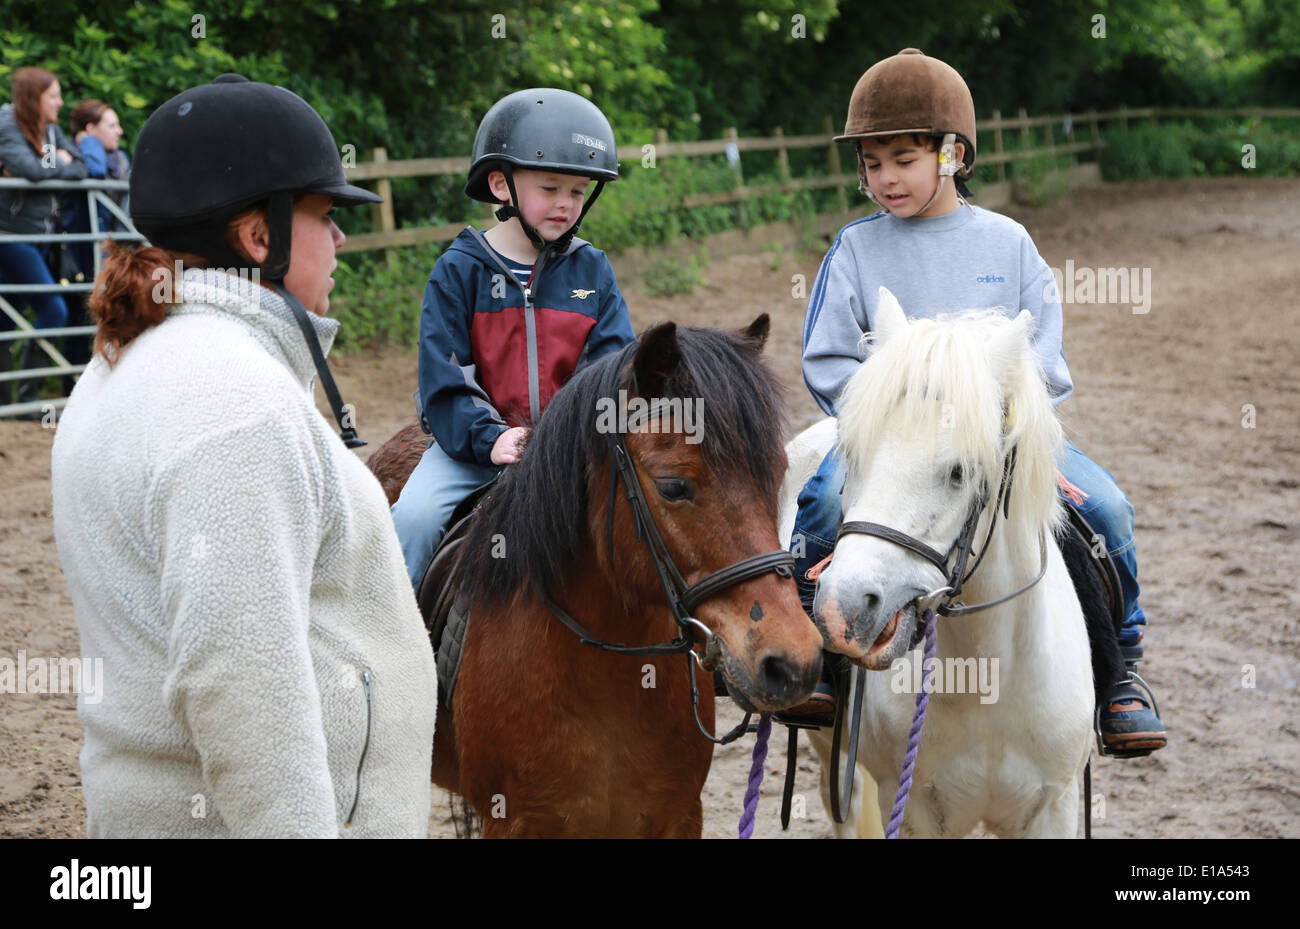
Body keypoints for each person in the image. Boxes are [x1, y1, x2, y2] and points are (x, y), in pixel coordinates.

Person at [50, 74, 438, 837]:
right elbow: (241, 682)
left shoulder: (116, 369)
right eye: (326, 217)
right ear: (261, 237)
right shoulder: (234, 402)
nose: (342, 240)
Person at [783, 49, 1166, 759]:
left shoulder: (1008, 243)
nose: (884, 178)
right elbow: (829, 358)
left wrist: (1005, 432)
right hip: (892, 442)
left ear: (952, 154)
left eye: (902, 158)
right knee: (824, 502)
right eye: (871, 163)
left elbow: (1043, 361)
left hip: (998, 442)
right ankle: (822, 652)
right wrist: (891, 413)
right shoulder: (857, 250)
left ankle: (1121, 671)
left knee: (1104, 508)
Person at [390, 88, 636, 591]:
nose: (567, 205)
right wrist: (492, 437)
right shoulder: (458, 271)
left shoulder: (593, 269)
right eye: (551, 189)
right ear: (502, 185)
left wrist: (575, 436)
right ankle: (388, 643)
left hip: (570, 452)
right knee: (411, 521)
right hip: (472, 452)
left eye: (578, 191)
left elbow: (611, 368)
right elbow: (444, 379)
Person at [0, 67, 86, 410]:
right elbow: (30, 170)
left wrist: (53, 164)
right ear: (33, 99)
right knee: (54, 308)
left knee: (8, 315)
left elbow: (80, 167)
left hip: (41, 234)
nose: (60, 103)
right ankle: (29, 398)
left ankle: (6, 401)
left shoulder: (49, 130)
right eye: (53, 96)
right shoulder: (7, 124)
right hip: (11, 235)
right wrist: (53, 165)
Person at [62, 99, 130, 393]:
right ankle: (69, 390)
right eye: (111, 125)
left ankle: (103, 388)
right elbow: (96, 172)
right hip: (77, 256)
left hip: (113, 255)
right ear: (90, 129)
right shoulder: (73, 154)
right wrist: (88, 143)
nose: (120, 131)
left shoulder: (123, 160)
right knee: (75, 322)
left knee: (110, 321)